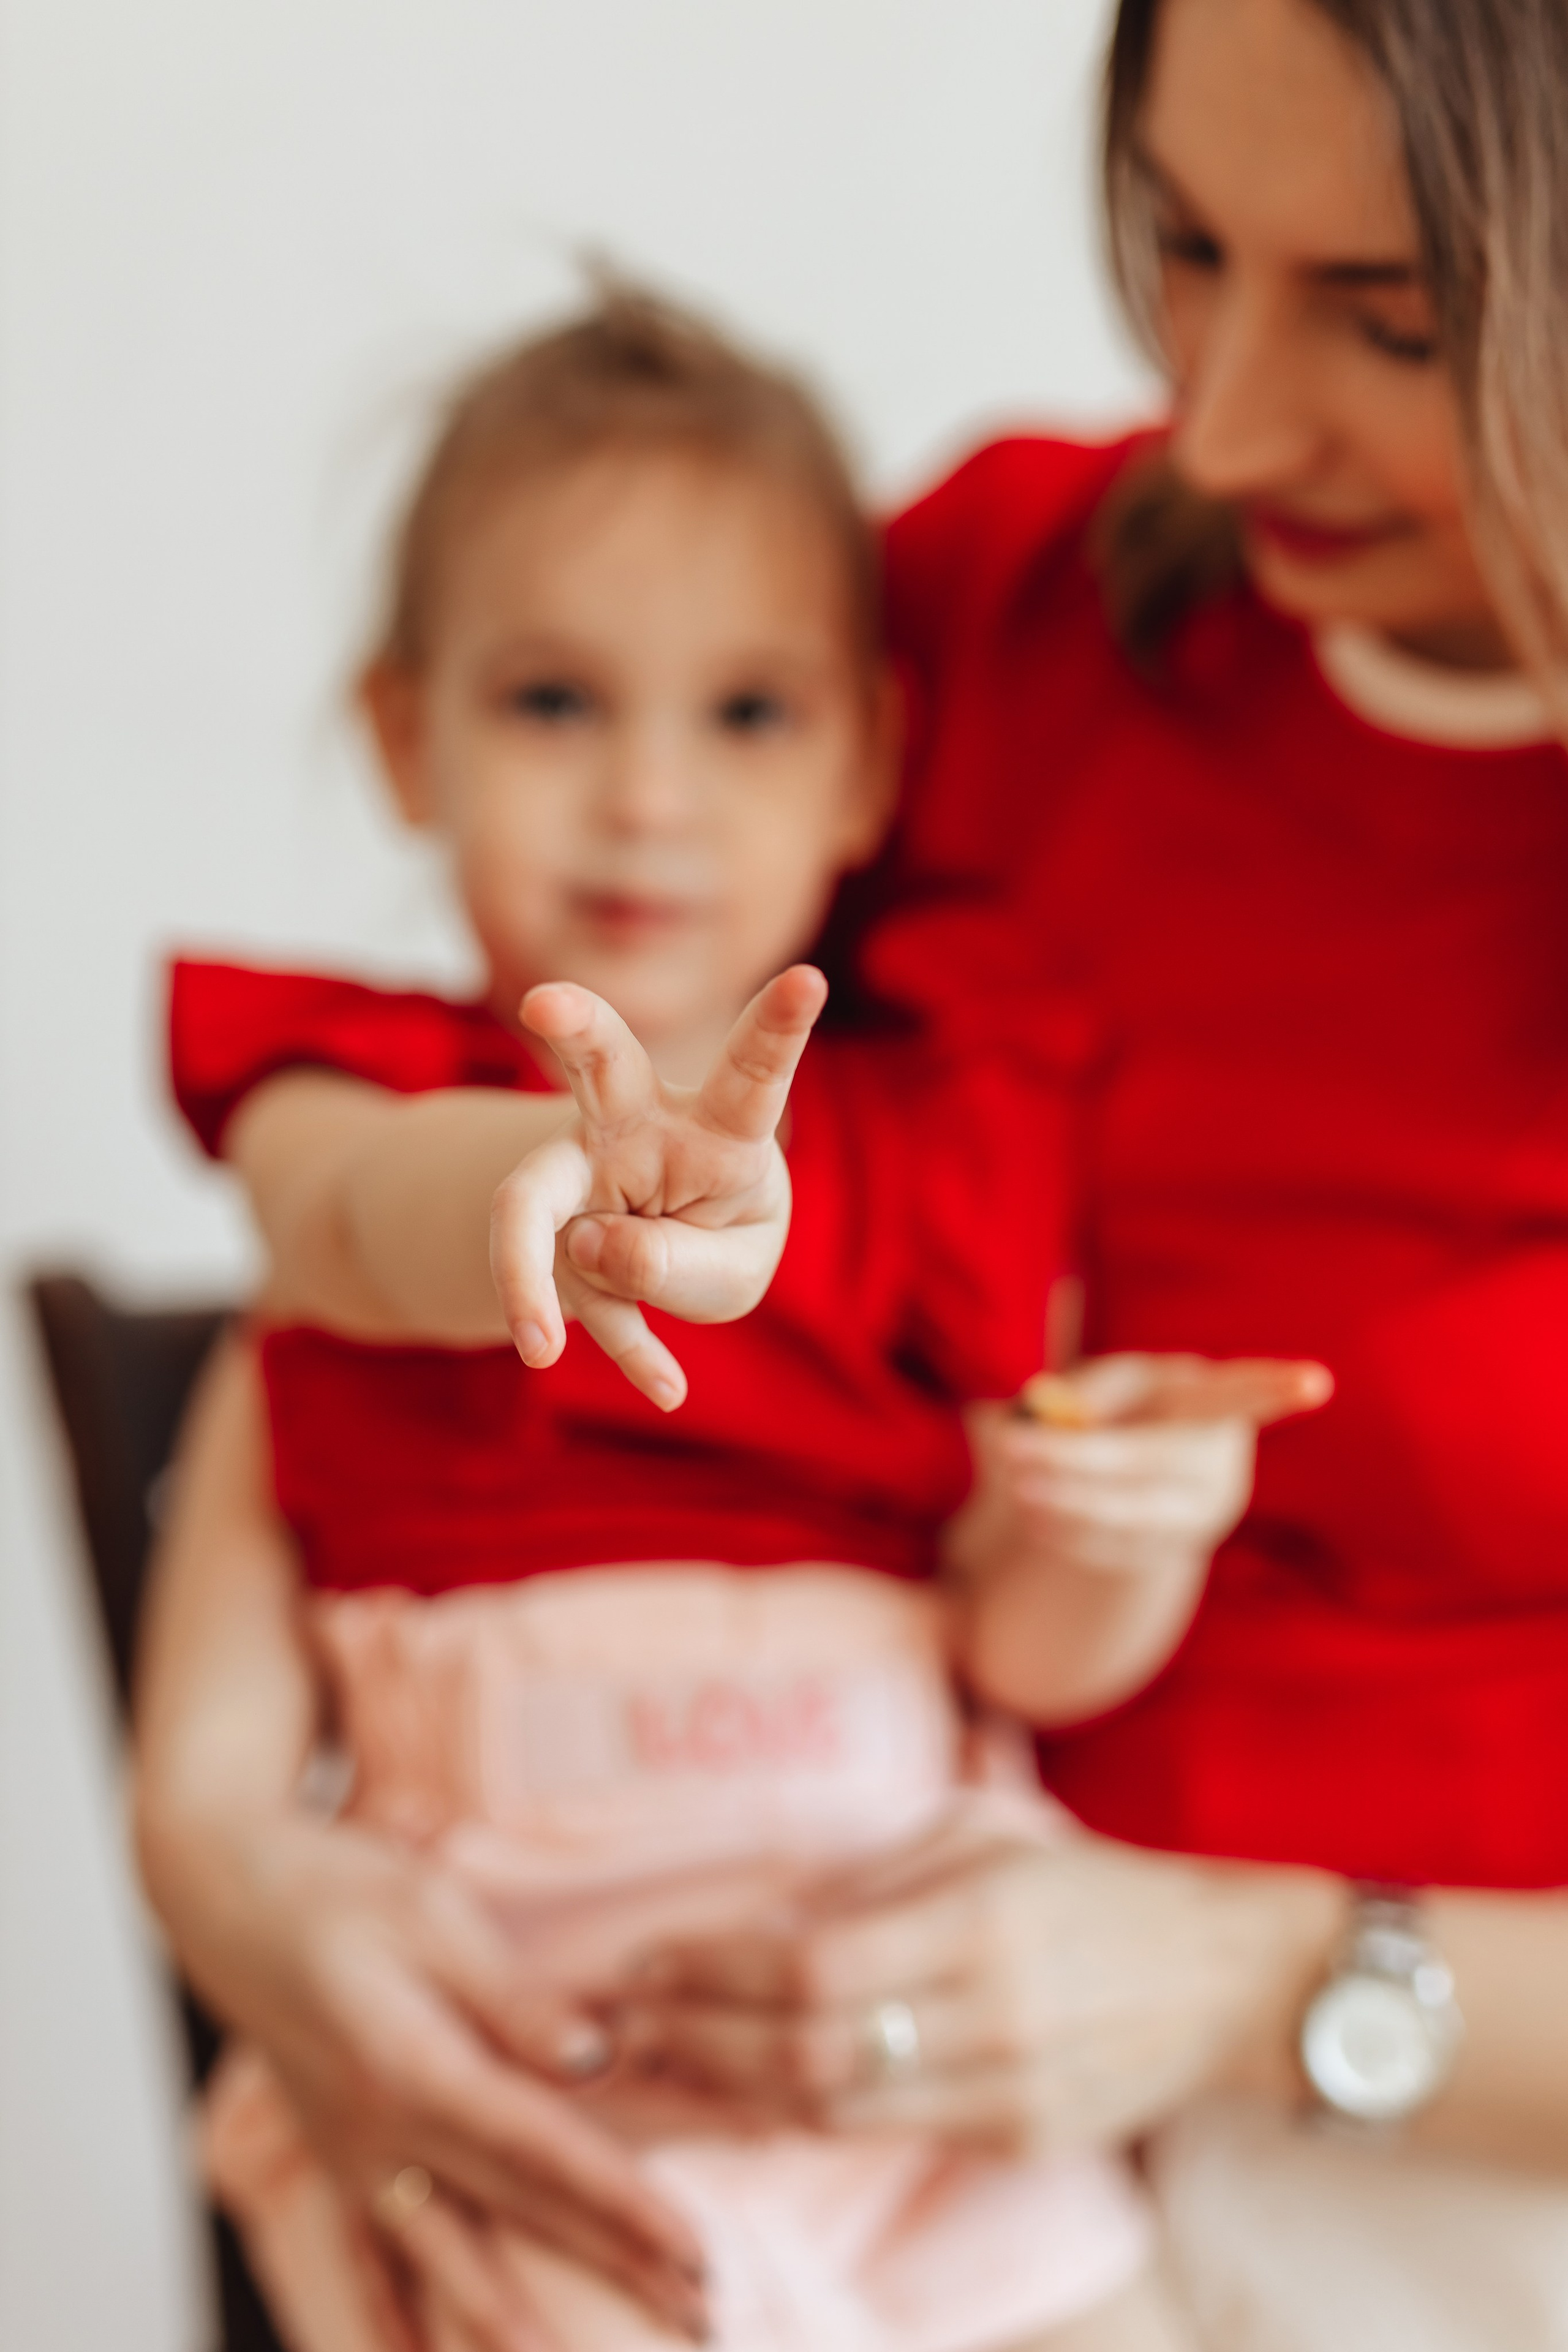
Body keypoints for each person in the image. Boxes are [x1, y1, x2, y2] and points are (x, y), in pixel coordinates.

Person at [134, 294, 1320, 2352]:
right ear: (409, 737)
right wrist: (539, 1185)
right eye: (556, 702)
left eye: (748, 715)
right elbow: (337, 1228)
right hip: (535, 2069)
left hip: (915, 2048)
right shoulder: (358, 1110)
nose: (652, 798)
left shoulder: (951, 1132)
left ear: (872, 759)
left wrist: (1122, 1531)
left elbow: (1015, 1650)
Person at [582, 4, 1568, 2347]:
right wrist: (222, 1835)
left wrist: (1274, 1982)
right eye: (1184, 244)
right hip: (843, 2106)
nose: (1216, 426)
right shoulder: (998, 603)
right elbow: (500, 1184)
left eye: (1396, 318)